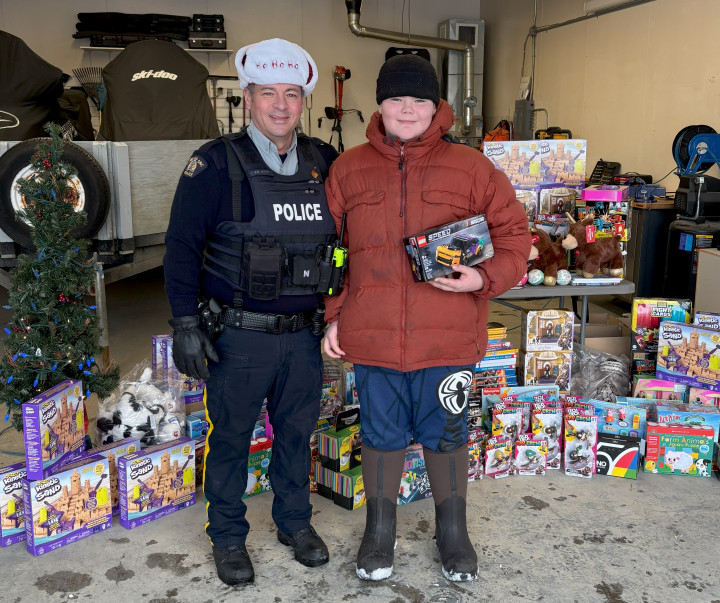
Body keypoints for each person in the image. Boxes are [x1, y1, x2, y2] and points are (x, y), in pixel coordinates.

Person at [322, 54, 530, 582]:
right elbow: (329, 254)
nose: (407, 109)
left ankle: (453, 531)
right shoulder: (347, 168)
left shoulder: (474, 168)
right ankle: (379, 531)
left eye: (419, 99)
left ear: (437, 106)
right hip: (372, 337)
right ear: (380, 104)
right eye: (396, 98)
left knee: (447, 433)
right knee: (381, 433)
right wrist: (332, 316)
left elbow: (514, 239)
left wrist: (482, 280)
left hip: (448, 339)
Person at [164, 38, 339, 586]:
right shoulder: (214, 164)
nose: (281, 105)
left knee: (296, 435)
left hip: (305, 336)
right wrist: (185, 323)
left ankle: (294, 523)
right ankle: (228, 536)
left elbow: (346, 243)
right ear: (247, 97)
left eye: (292, 94)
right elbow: (181, 249)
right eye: (269, 93)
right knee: (232, 439)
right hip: (239, 337)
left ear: (304, 102)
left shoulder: (325, 162)